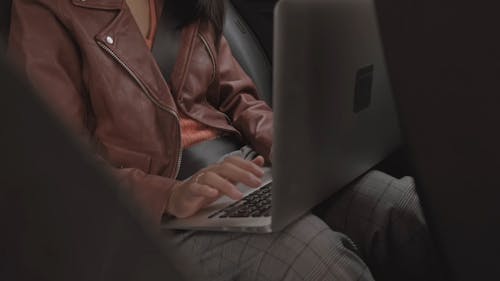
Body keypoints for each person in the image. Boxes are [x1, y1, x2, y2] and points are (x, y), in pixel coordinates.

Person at [7, 0, 442, 280]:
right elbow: (61, 177)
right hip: (155, 217)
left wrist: (295, 154)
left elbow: (239, 99)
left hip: (243, 172)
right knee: (316, 259)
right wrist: (171, 195)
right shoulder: (45, 11)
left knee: (408, 212)